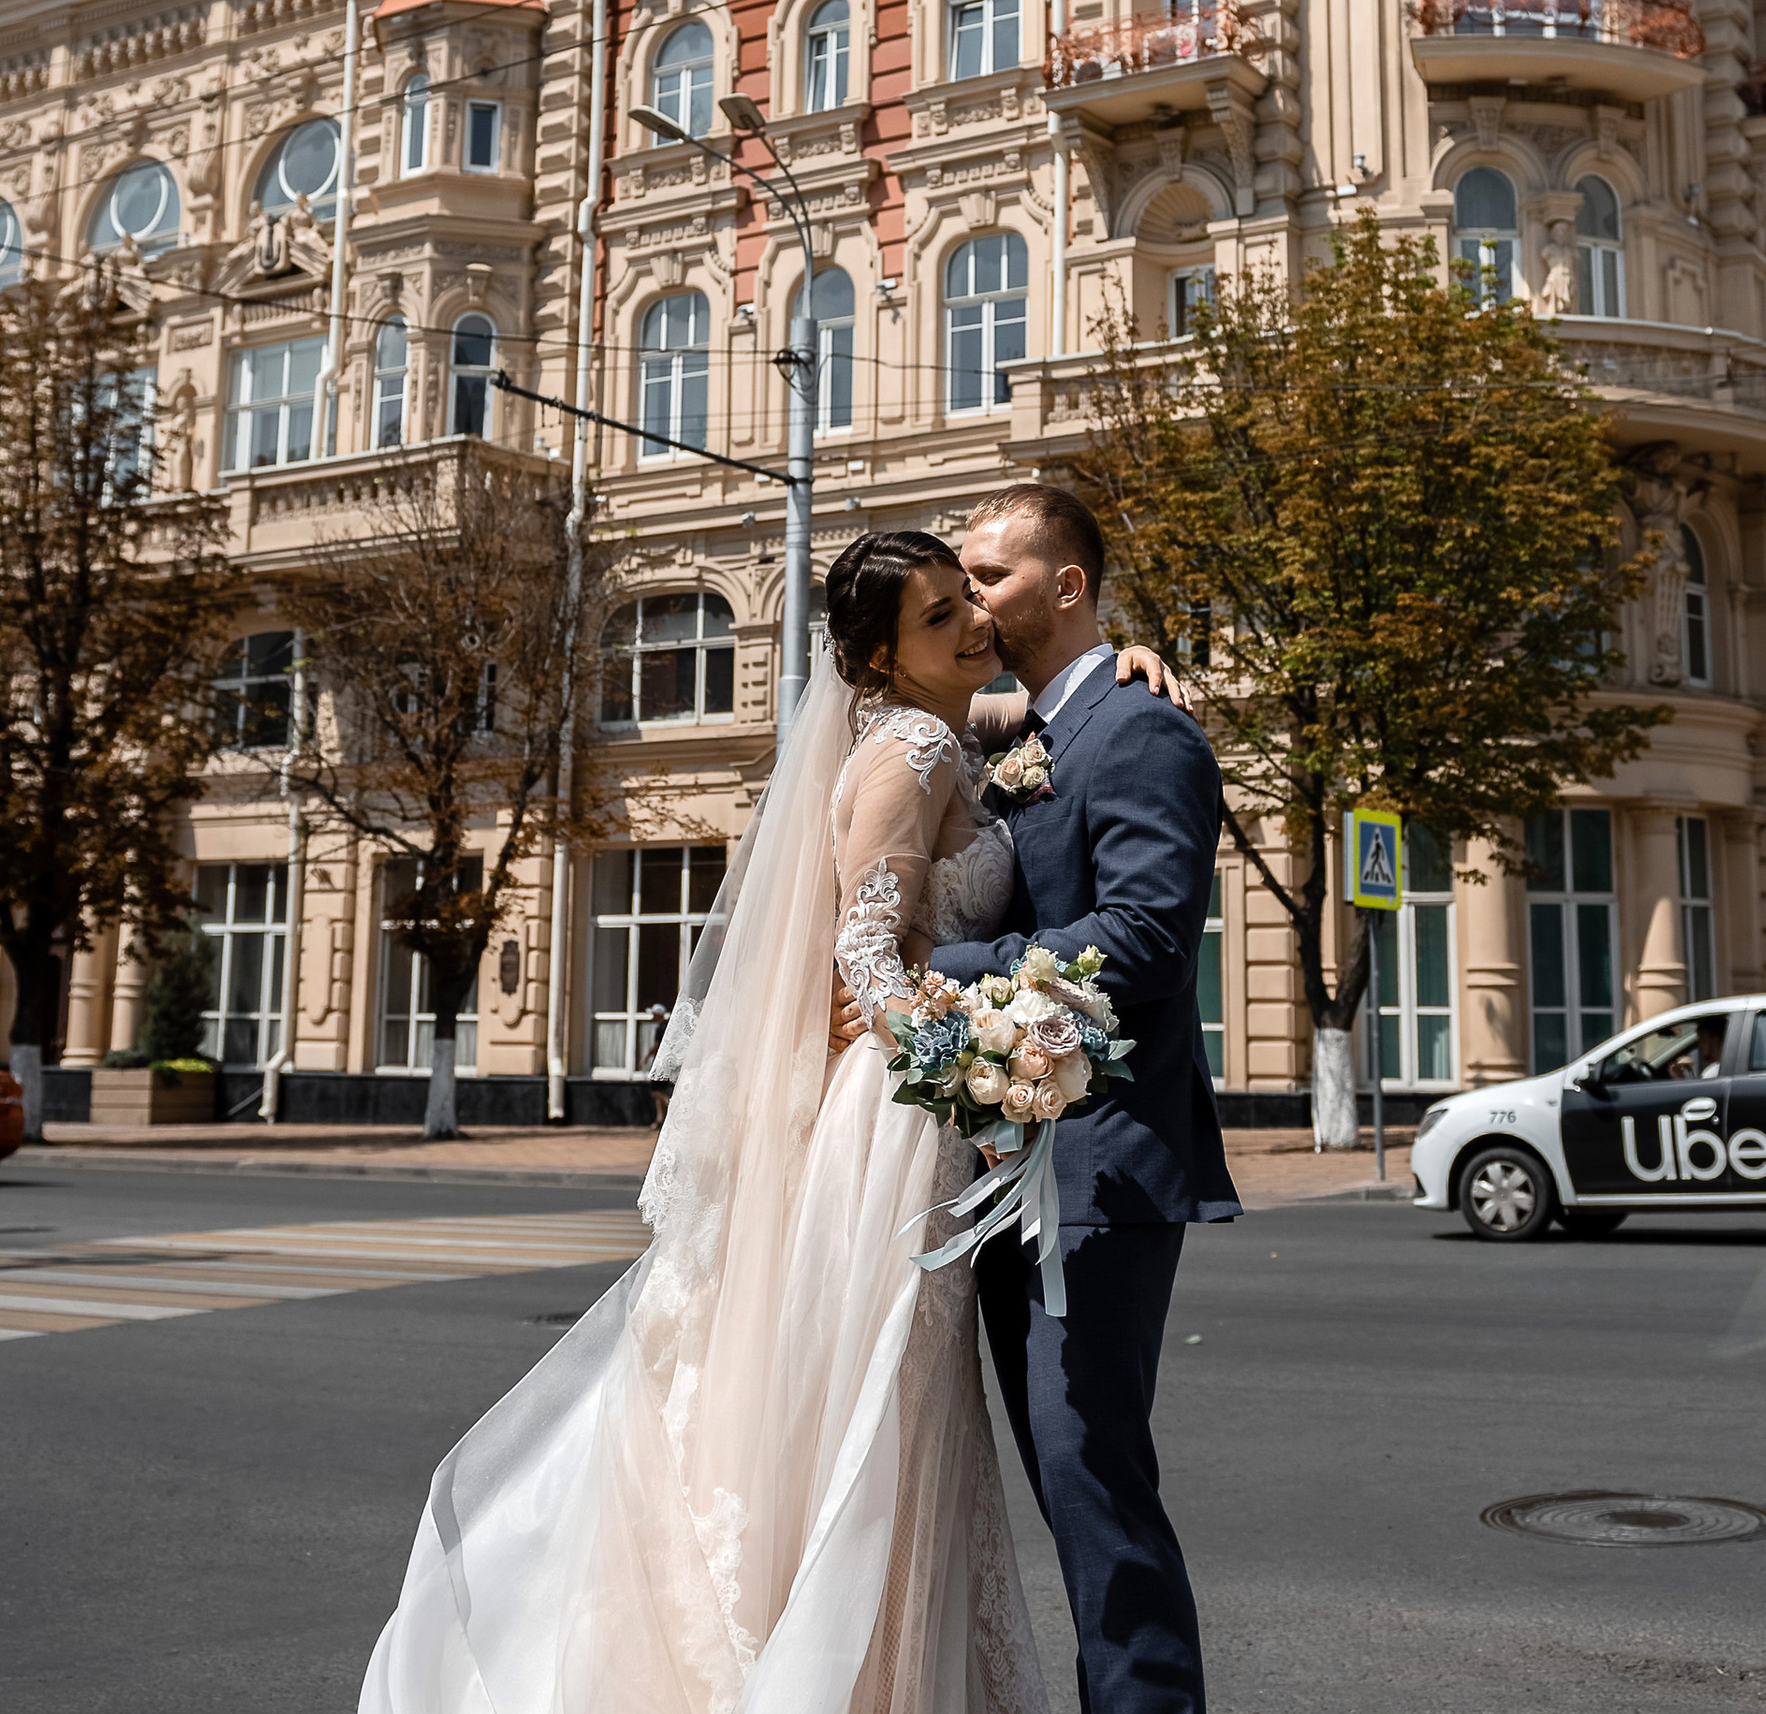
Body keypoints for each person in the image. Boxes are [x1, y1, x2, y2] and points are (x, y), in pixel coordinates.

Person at [358, 525, 1190, 1714]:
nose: (971, 624)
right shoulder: (908, 744)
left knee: (906, 1411)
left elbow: (1060, 721)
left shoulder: (955, 731)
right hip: (900, 1114)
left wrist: (1132, 655)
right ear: (879, 660)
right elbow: (862, 949)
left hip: (928, 1109)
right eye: (940, 614)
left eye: (970, 597)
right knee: (876, 1406)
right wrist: (963, 1054)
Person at [930, 484, 1239, 1714]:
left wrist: (937, 973)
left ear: (1064, 586)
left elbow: (1146, 941)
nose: (970, 599)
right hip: (1011, 1159)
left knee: (1090, 1476)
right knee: (1068, 1478)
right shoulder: (1032, 723)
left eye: (990, 577)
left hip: (1098, 1170)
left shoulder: (1141, 729)